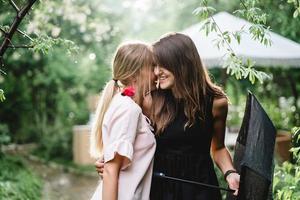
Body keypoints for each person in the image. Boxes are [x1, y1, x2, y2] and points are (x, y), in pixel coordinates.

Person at [95, 33, 240, 199]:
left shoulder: (216, 102)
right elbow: (127, 136)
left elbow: (218, 147)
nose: (157, 72)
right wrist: (108, 161)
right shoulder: (150, 99)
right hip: (159, 189)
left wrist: (230, 173)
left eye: (163, 65)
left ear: (182, 64)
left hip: (200, 189)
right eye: (155, 65)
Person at [90, 41, 156, 200]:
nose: (156, 72)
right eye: (152, 66)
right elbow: (110, 170)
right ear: (135, 74)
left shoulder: (125, 103)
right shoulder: (128, 109)